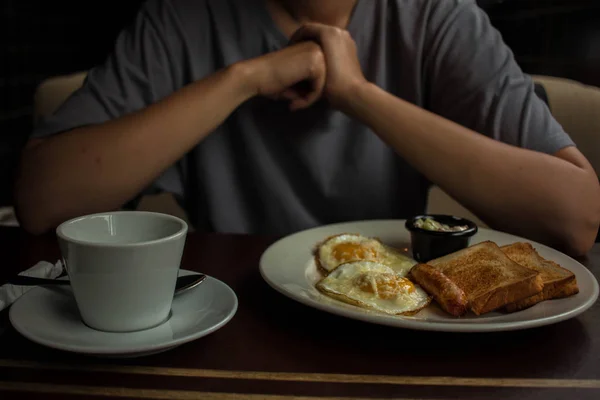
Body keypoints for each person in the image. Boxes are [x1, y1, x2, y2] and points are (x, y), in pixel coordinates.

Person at [14, 0, 600, 256]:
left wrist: (359, 96)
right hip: (232, 319)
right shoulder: (180, 19)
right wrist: (244, 78)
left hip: (397, 315)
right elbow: (43, 201)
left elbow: (575, 218)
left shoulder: (439, 18)